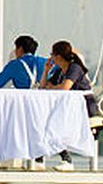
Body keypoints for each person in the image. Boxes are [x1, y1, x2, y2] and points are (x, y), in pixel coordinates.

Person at [40, 40, 95, 170]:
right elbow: (43, 86)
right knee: (43, 119)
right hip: (70, 107)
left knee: (53, 122)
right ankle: (40, 157)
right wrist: (46, 70)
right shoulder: (60, 71)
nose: (51, 57)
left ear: (57, 56)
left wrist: (52, 87)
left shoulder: (74, 68)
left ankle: (67, 160)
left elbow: (65, 88)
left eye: (51, 54)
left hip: (85, 107)